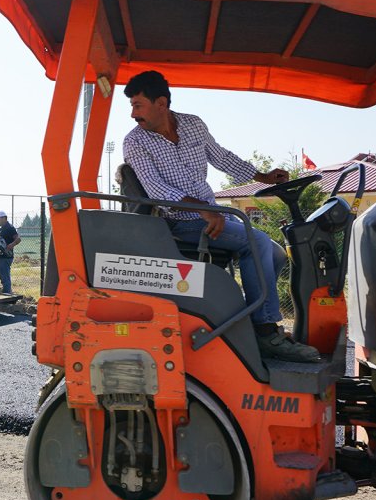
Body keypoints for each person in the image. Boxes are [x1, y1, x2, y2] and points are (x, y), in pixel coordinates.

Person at [121, 70, 318, 362]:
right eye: (132, 106)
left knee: (275, 253)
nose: (133, 114)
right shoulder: (135, 142)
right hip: (177, 223)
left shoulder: (193, 125)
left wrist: (263, 176)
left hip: (209, 216)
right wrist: (202, 208)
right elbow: (156, 189)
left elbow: (222, 157)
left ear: (161, 103)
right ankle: (265, 333)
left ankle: (250, 319)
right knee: (258, 243)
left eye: (138, 105)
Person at [0, 210, 21, 294]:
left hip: (4, 257)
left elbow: (18, 239)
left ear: (4, 218)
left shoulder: (10, 228)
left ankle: (7, 296)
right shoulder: (0, 229)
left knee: (4, 277)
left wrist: (11, 245)